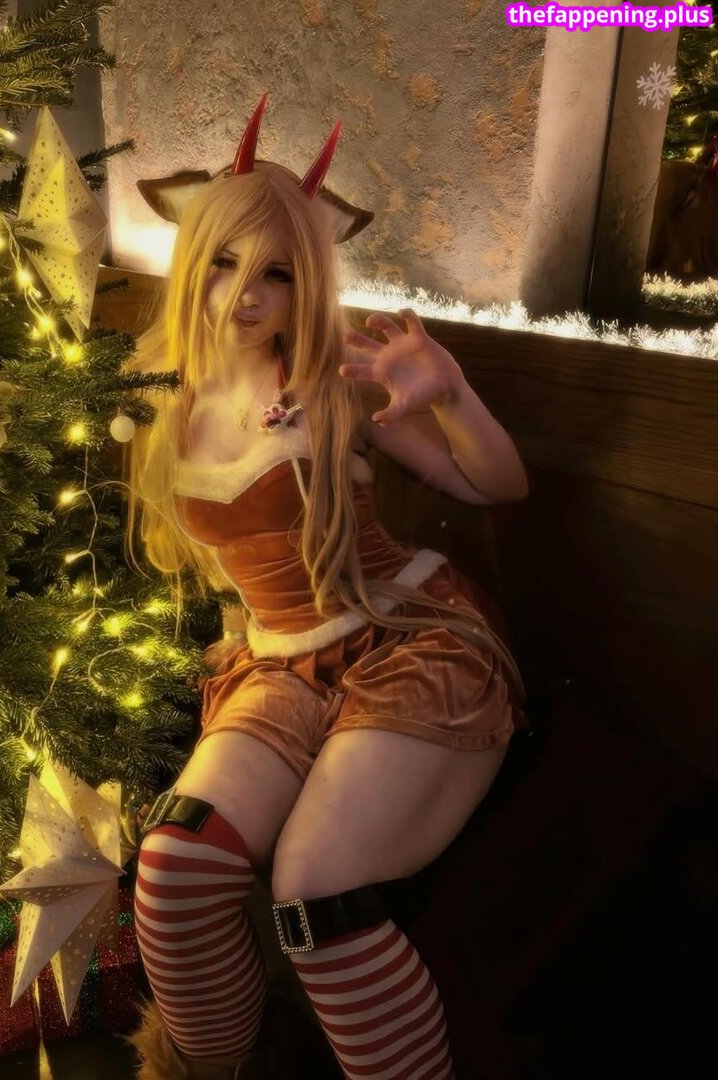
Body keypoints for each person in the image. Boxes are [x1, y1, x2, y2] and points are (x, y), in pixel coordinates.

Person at [122, 92, 531, 1080]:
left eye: (277, 273)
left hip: (407, 639)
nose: (244, 295)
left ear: (307, 285)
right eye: (223, 262)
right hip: (278, 664)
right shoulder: (158, 400)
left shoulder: (331, 379)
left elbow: (496, 484)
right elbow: (229, 576)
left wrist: (450, 390)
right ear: (191, 259)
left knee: (316, 896)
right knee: (174, 870)